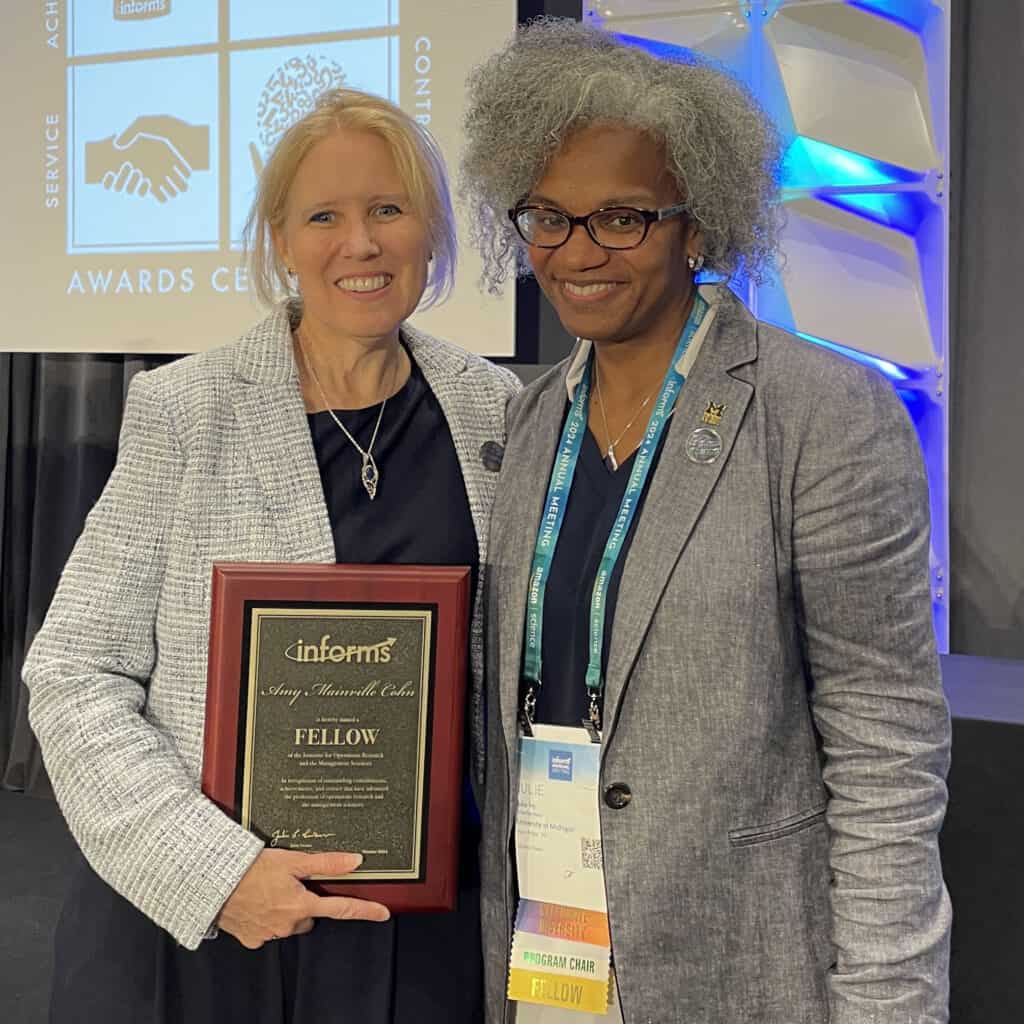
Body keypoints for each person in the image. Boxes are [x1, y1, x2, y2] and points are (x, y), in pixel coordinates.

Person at [460, 20, 951, 1024]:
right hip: (546, 943)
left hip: (737, 964)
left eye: (622, 219)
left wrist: (888, 1004)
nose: (576, 253)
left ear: (698, 225)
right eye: (548, 217)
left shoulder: (821, 413)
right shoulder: (533, 414)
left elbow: (884, 747)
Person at [24, 88, 520, 1023]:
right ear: (282, 244)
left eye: (388, 209)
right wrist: (214, 872)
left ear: (433, 233)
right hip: (207, 930)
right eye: (323, 216)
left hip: (413, 930)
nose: (360, 243)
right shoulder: (187, 410)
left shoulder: (496, 409)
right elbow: (74, 669)